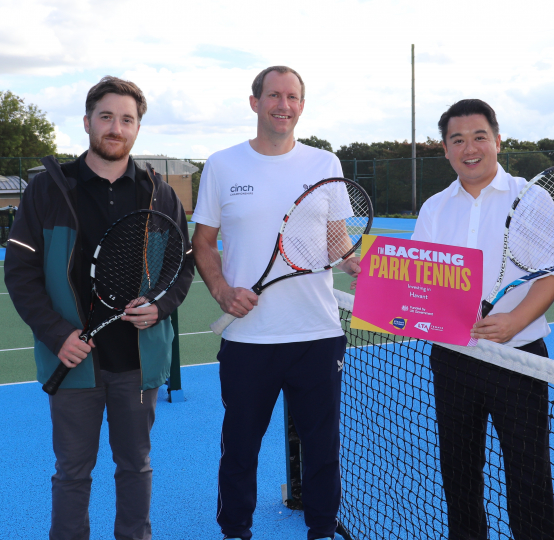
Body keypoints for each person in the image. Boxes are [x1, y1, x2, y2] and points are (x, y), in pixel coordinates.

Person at [4, 76, 194, 540]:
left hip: (138, 360)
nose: (116, 128)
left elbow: (182, 266)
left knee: (136, 465)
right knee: (72, 472)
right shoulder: (48, 190)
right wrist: (57, 335)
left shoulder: (159, 194)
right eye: (106, 117)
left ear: (137, 128)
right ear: (87, 122)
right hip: (73, 360)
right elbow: (20, 273)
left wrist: (160, 307)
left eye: (127, 119)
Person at [191, 66, 359, 540]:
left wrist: (352, 261)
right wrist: (222, 291)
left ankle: (322, 531)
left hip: (317, 334)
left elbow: (335, 239)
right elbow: (203, 242)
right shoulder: (222, 165)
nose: (283, 105)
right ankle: (235, 532)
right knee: (240, 449)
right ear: (255, 102)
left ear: (301, 105)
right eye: (273, 96)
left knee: (322, 450)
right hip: (248, 339)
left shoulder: (325, 163)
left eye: (292, 97)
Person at [411, 99, 554, 540]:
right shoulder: (434, 208)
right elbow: (420, 279)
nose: (470, 148)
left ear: (497, 141)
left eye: (479, 137)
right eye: (458, 140)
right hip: (453, 361)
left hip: (519, 359)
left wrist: (514, 320)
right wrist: (384, 286)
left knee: (529, 477)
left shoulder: (531, 198)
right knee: (459, 475)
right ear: (445, 149)